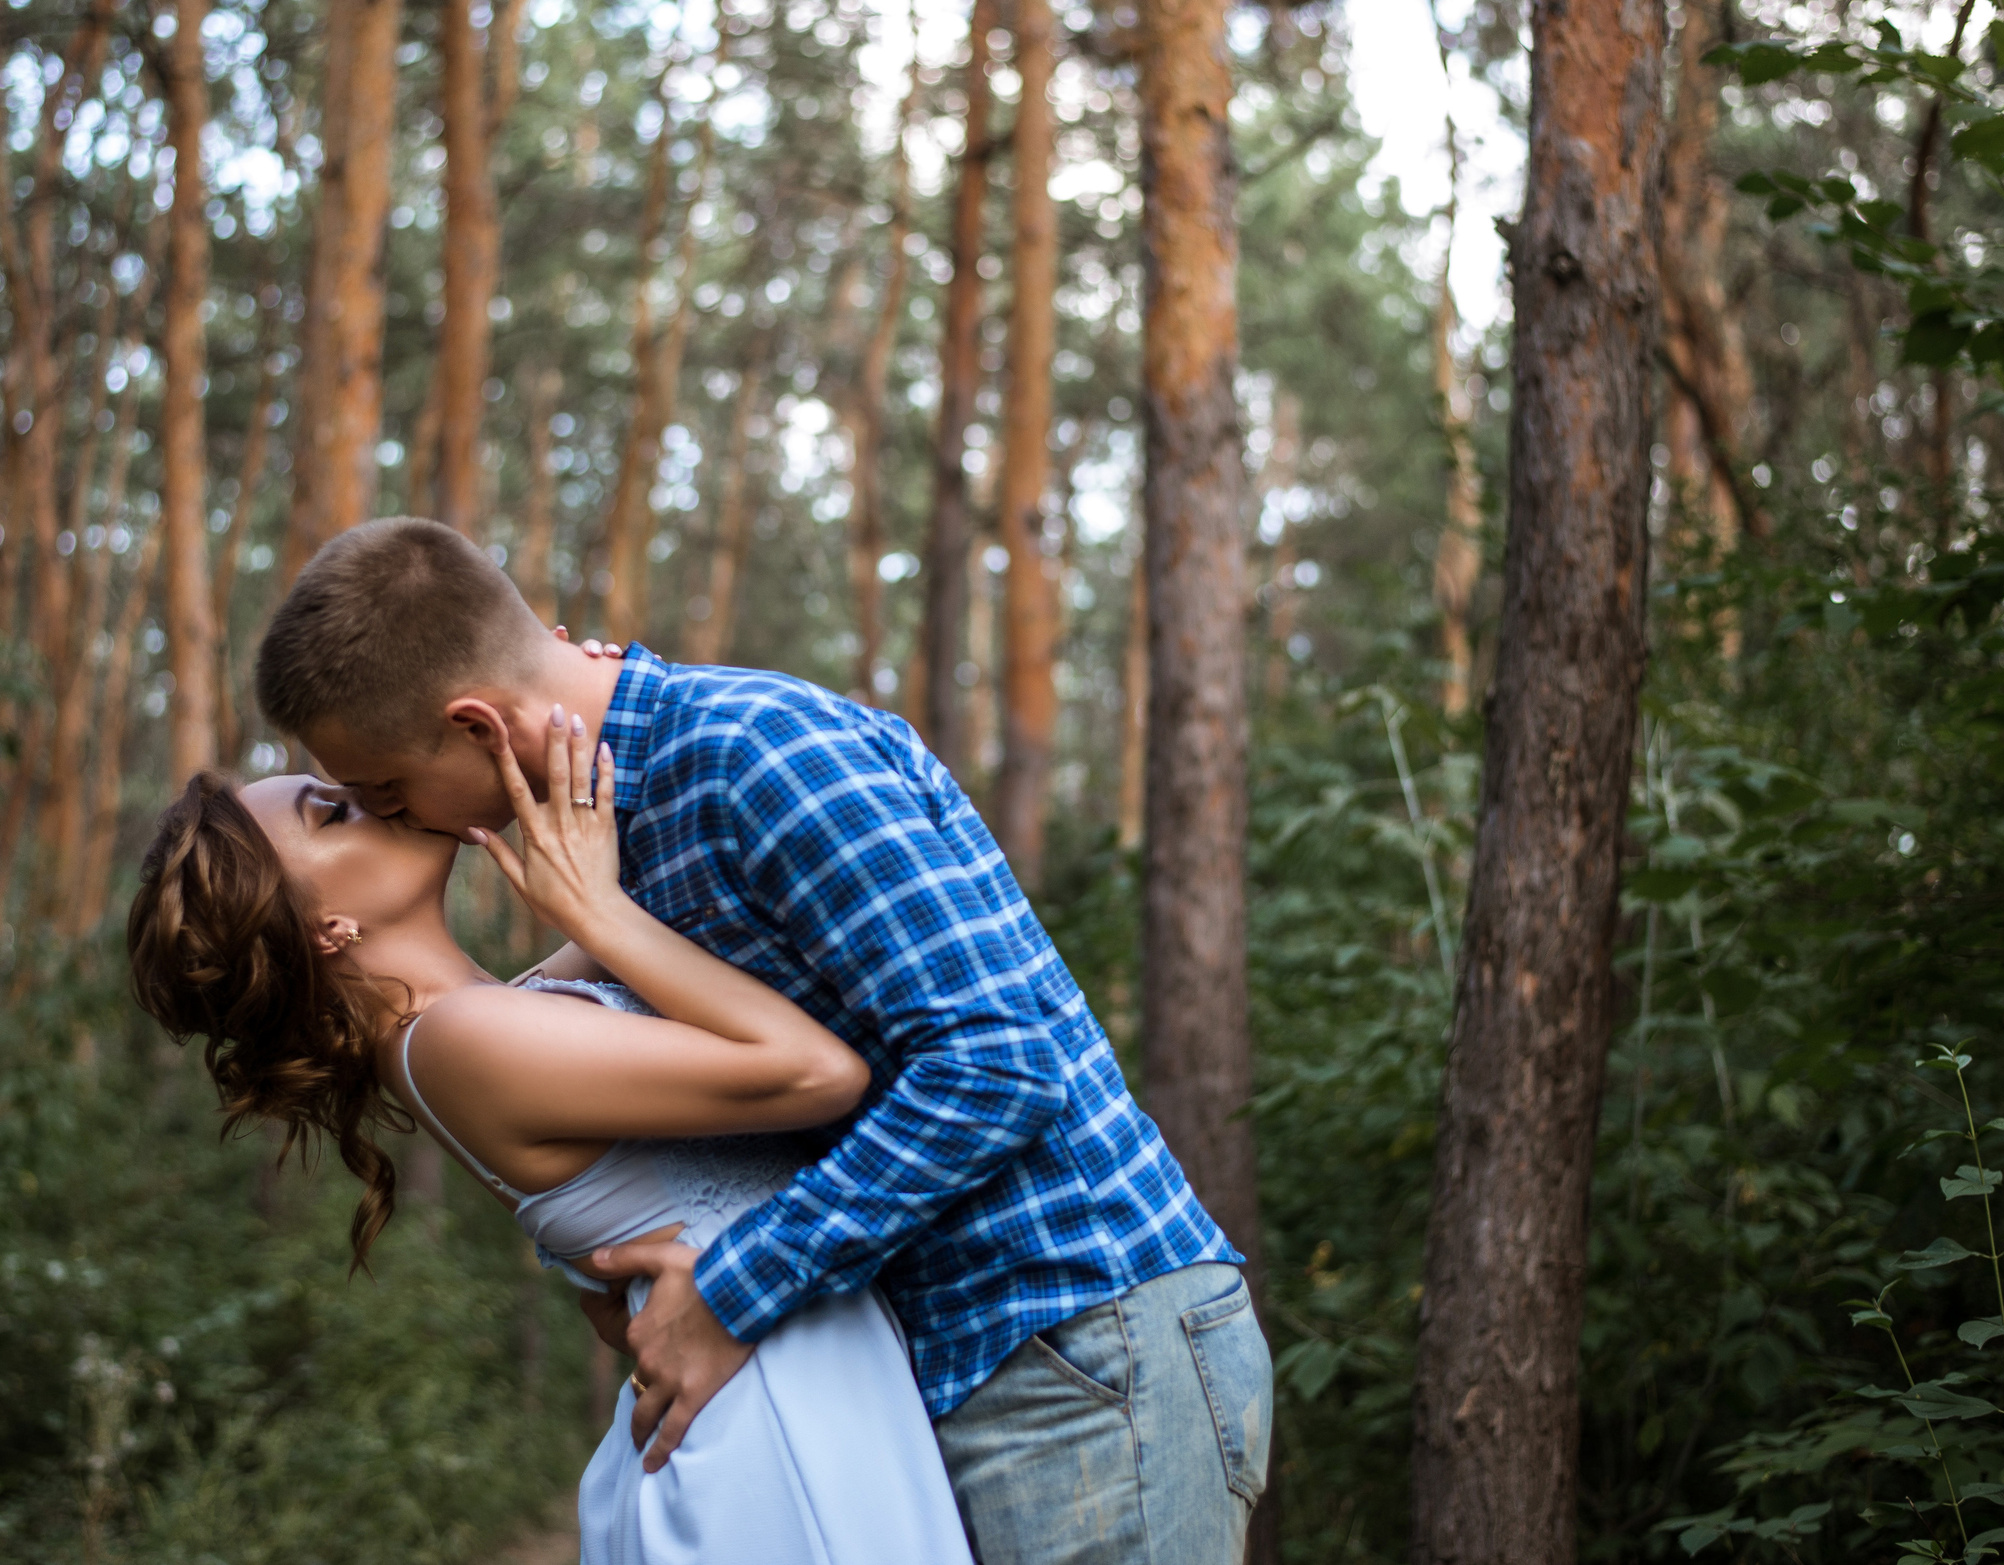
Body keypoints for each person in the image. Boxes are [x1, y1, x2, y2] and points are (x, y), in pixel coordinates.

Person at [251, 518, 1273, 1565]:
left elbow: (1000, 1064)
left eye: (386, 791)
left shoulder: (756, 754)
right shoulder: (615, 829)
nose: (399, 818)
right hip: (955, 1362)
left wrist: (731, 1289)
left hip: (1077, 1342)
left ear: (474, 722)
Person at [126, 709, 976, 1563]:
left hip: (774, 1383)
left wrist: (548, 713)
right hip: (768, 1427)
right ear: (327, 926)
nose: (367, 795)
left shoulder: (475, 1019)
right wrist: (600, 913)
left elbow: (634, 908)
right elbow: (817, 1071)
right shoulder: (460, 1041)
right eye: (332, 811)